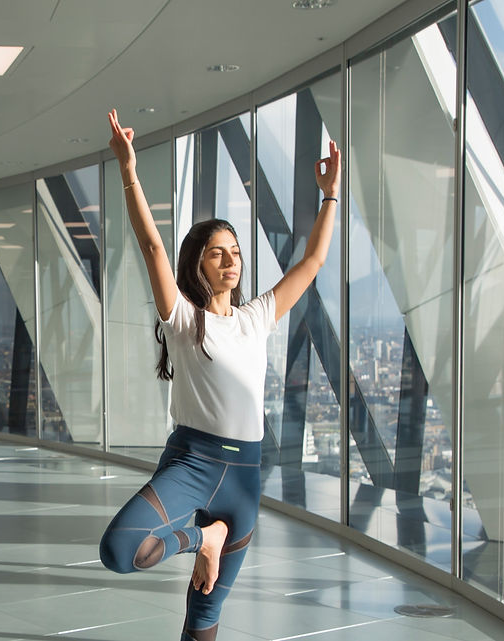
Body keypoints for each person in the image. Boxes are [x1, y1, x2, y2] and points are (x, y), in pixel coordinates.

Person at [98, 108, 341, 641]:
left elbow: (313, 261)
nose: (230, 260)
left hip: (247, 478)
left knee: (205, 620)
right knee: (120, 550)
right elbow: (151, 246)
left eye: (235, 252)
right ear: (198, 265)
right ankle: (202, 539)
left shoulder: (258, 318)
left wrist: (329, 196)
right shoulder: (185, 319)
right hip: (192, 464)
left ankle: (210, 538)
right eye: (217, 253)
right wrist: (129, 169)